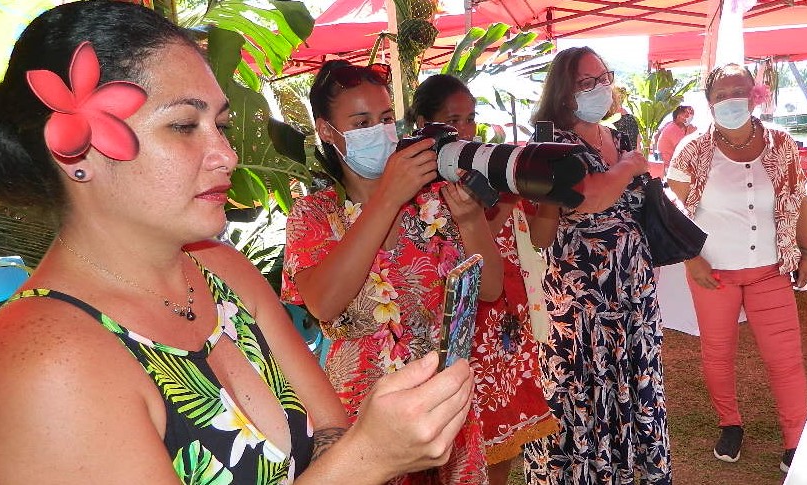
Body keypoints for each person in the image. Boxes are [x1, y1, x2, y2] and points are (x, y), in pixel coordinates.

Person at [0, 2, 476, 483]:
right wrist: (369, 457)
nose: (226, 156)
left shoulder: (222, 271)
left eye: (218, 125)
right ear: (75, 151)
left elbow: (329, 428)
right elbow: (350, 448)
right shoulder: (41, 362)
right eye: (182, 126)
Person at [281, 61, 505, 484]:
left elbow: (489, 290)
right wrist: (385, 199)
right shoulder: (314, 216)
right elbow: (324, 302)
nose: (380, 132)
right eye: (361, 122)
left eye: (385, 119)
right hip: (364, 430)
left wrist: (472, 222)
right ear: (328, 131)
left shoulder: (435, 204)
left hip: (446, 418)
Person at [524, 46, 670, 485]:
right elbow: (591, 197)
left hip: (632, 292)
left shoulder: (620, 136)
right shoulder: (549, 144)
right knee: (579, 395)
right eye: (587, 81)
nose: (600, 87)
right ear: (564, 91)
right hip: (581, 300)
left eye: (604, 77)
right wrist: (628, 166)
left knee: (633, 386)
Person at [406, 73, 559, 485]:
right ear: (425, 125)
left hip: (505, 331)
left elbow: (541, 237)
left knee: (503, 447)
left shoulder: (494, 172)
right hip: (463, 334)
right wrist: (491, 205)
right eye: (454, 120)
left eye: (471, 119)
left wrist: (550, 190)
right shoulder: (419, 190)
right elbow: (467, 251)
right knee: (459, 449)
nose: (465, 131)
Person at [667, 63, 807, 474]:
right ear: (708, 101)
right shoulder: (693, 149)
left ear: (757, 95)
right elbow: (671, 208)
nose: (731, 102)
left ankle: (796, 440)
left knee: (785, 359)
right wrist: (690, 258)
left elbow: (798, 199)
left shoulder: (782, 143)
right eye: (721, 95)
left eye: (740, 92)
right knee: (718, 353)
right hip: (714, 273)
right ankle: (729, 423)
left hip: (770, 269)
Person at [656, 105, 697, 173]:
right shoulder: (673, 129)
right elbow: (684, 151)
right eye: (688, 114)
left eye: (692, 114)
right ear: (679, 116)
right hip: (669, 168)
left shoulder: (677, 127)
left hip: (672, 166)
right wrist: (692, 134)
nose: (691, 116)